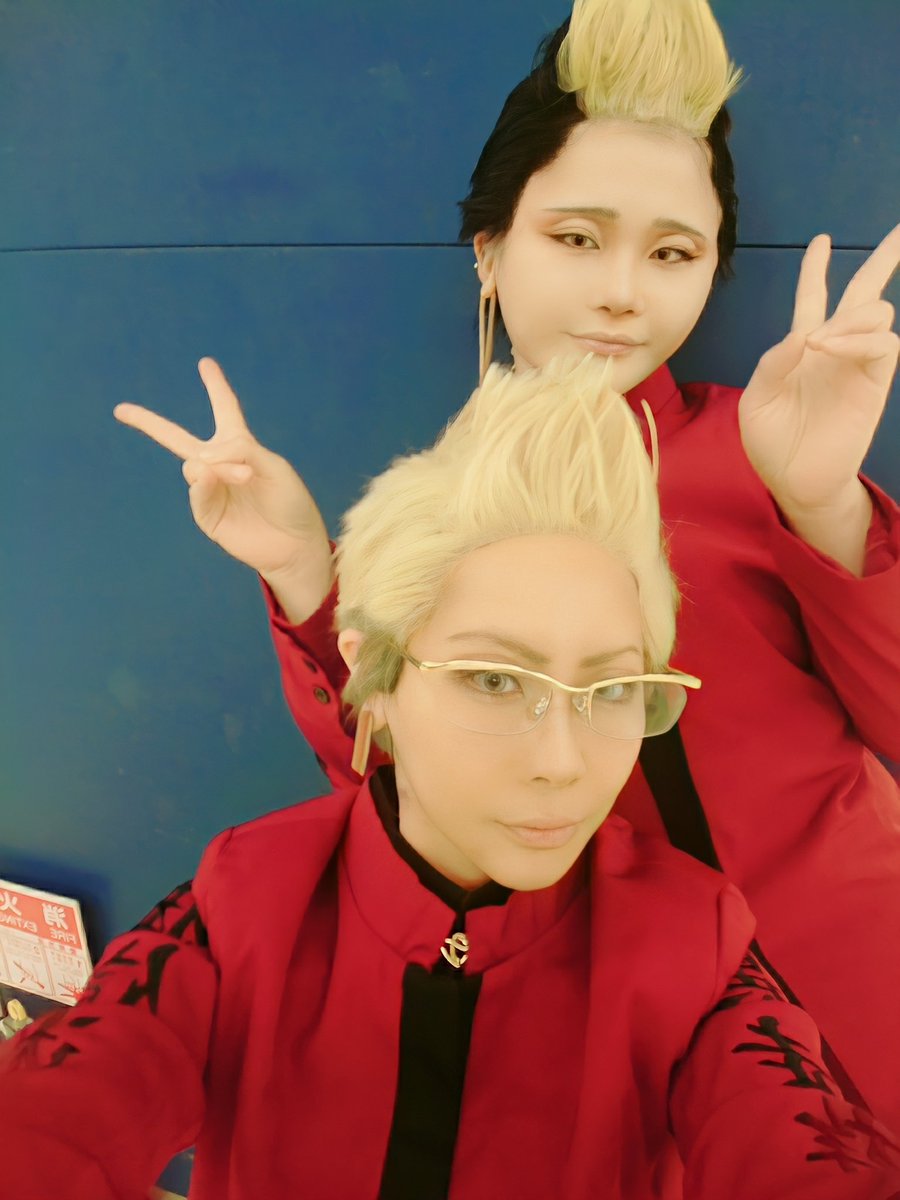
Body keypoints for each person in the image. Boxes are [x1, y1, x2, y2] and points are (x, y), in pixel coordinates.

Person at [114, 0, 900, 1129]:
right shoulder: (445, 501)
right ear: (489, 249)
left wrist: (823, 503)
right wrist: (304, 577)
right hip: (600, 1018)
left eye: (672, 252)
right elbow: (401, 799)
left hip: (856, 990)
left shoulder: (768, 447)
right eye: (577, 238)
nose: (623, 289)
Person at [6, 355, 900, 1198]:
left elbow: (800, 1151)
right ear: (376, 678)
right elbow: (62, 1112)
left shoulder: (695, 948)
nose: (563, 764)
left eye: (612, 690)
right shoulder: (246, 902)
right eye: (494, 680)